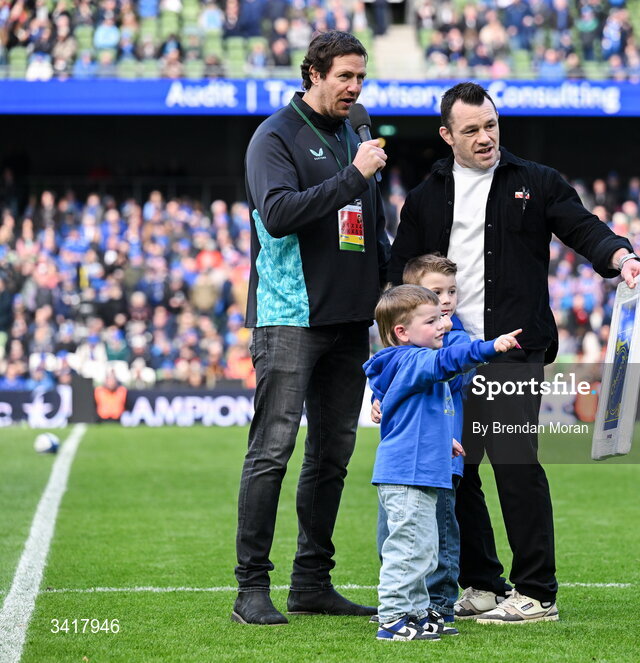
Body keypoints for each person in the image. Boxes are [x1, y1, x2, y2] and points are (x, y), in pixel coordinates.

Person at [389, 82, 640, 623]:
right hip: (448, 357)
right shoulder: (423, 198)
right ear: (447, 136)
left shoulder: (536, 181)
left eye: (490, 125)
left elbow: (582, 228)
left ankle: (537, 592)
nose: (485, 138)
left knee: (514, 462)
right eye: (471, 130)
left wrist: (620, 256)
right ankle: (483, 583)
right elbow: (398, 284)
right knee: (456, 470)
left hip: (514, 351)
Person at [232, 30, 390, 626]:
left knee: (333, 456)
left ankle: (311, 583)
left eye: (360, 77)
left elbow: (367, 220)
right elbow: (276, 216)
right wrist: (353, 175)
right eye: (344, 76)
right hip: (291, 316)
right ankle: (251, 589)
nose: (354, 88)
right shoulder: (274, 137)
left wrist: (390, 281)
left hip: (352, 320)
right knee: (272, 452)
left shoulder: (360, 127)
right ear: (313, 75)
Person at [364, 284, 521, 641]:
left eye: (443, 318)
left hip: (417, 469)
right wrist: (489, 347)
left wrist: (441, 440)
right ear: (402, 332)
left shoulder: (411, 360)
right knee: (408, 549)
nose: (443, 326)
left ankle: (416, 613)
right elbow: (448, 361)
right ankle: (392, 618)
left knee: (422, 549)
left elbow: (412, 415)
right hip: (408, 474)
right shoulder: (414, 359)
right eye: (432, 321)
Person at [373, 254, 469, 635]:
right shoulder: (419, 348)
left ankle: (429, 608)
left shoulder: (447, 338)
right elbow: (391, 375)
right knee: (409, 541)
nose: (445, 301)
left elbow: (452, 373)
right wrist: (380, 397)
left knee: (431, 543)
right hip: (412, 463)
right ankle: (399, 613)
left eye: (451, 292)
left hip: (438, 456)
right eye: (435, 293)